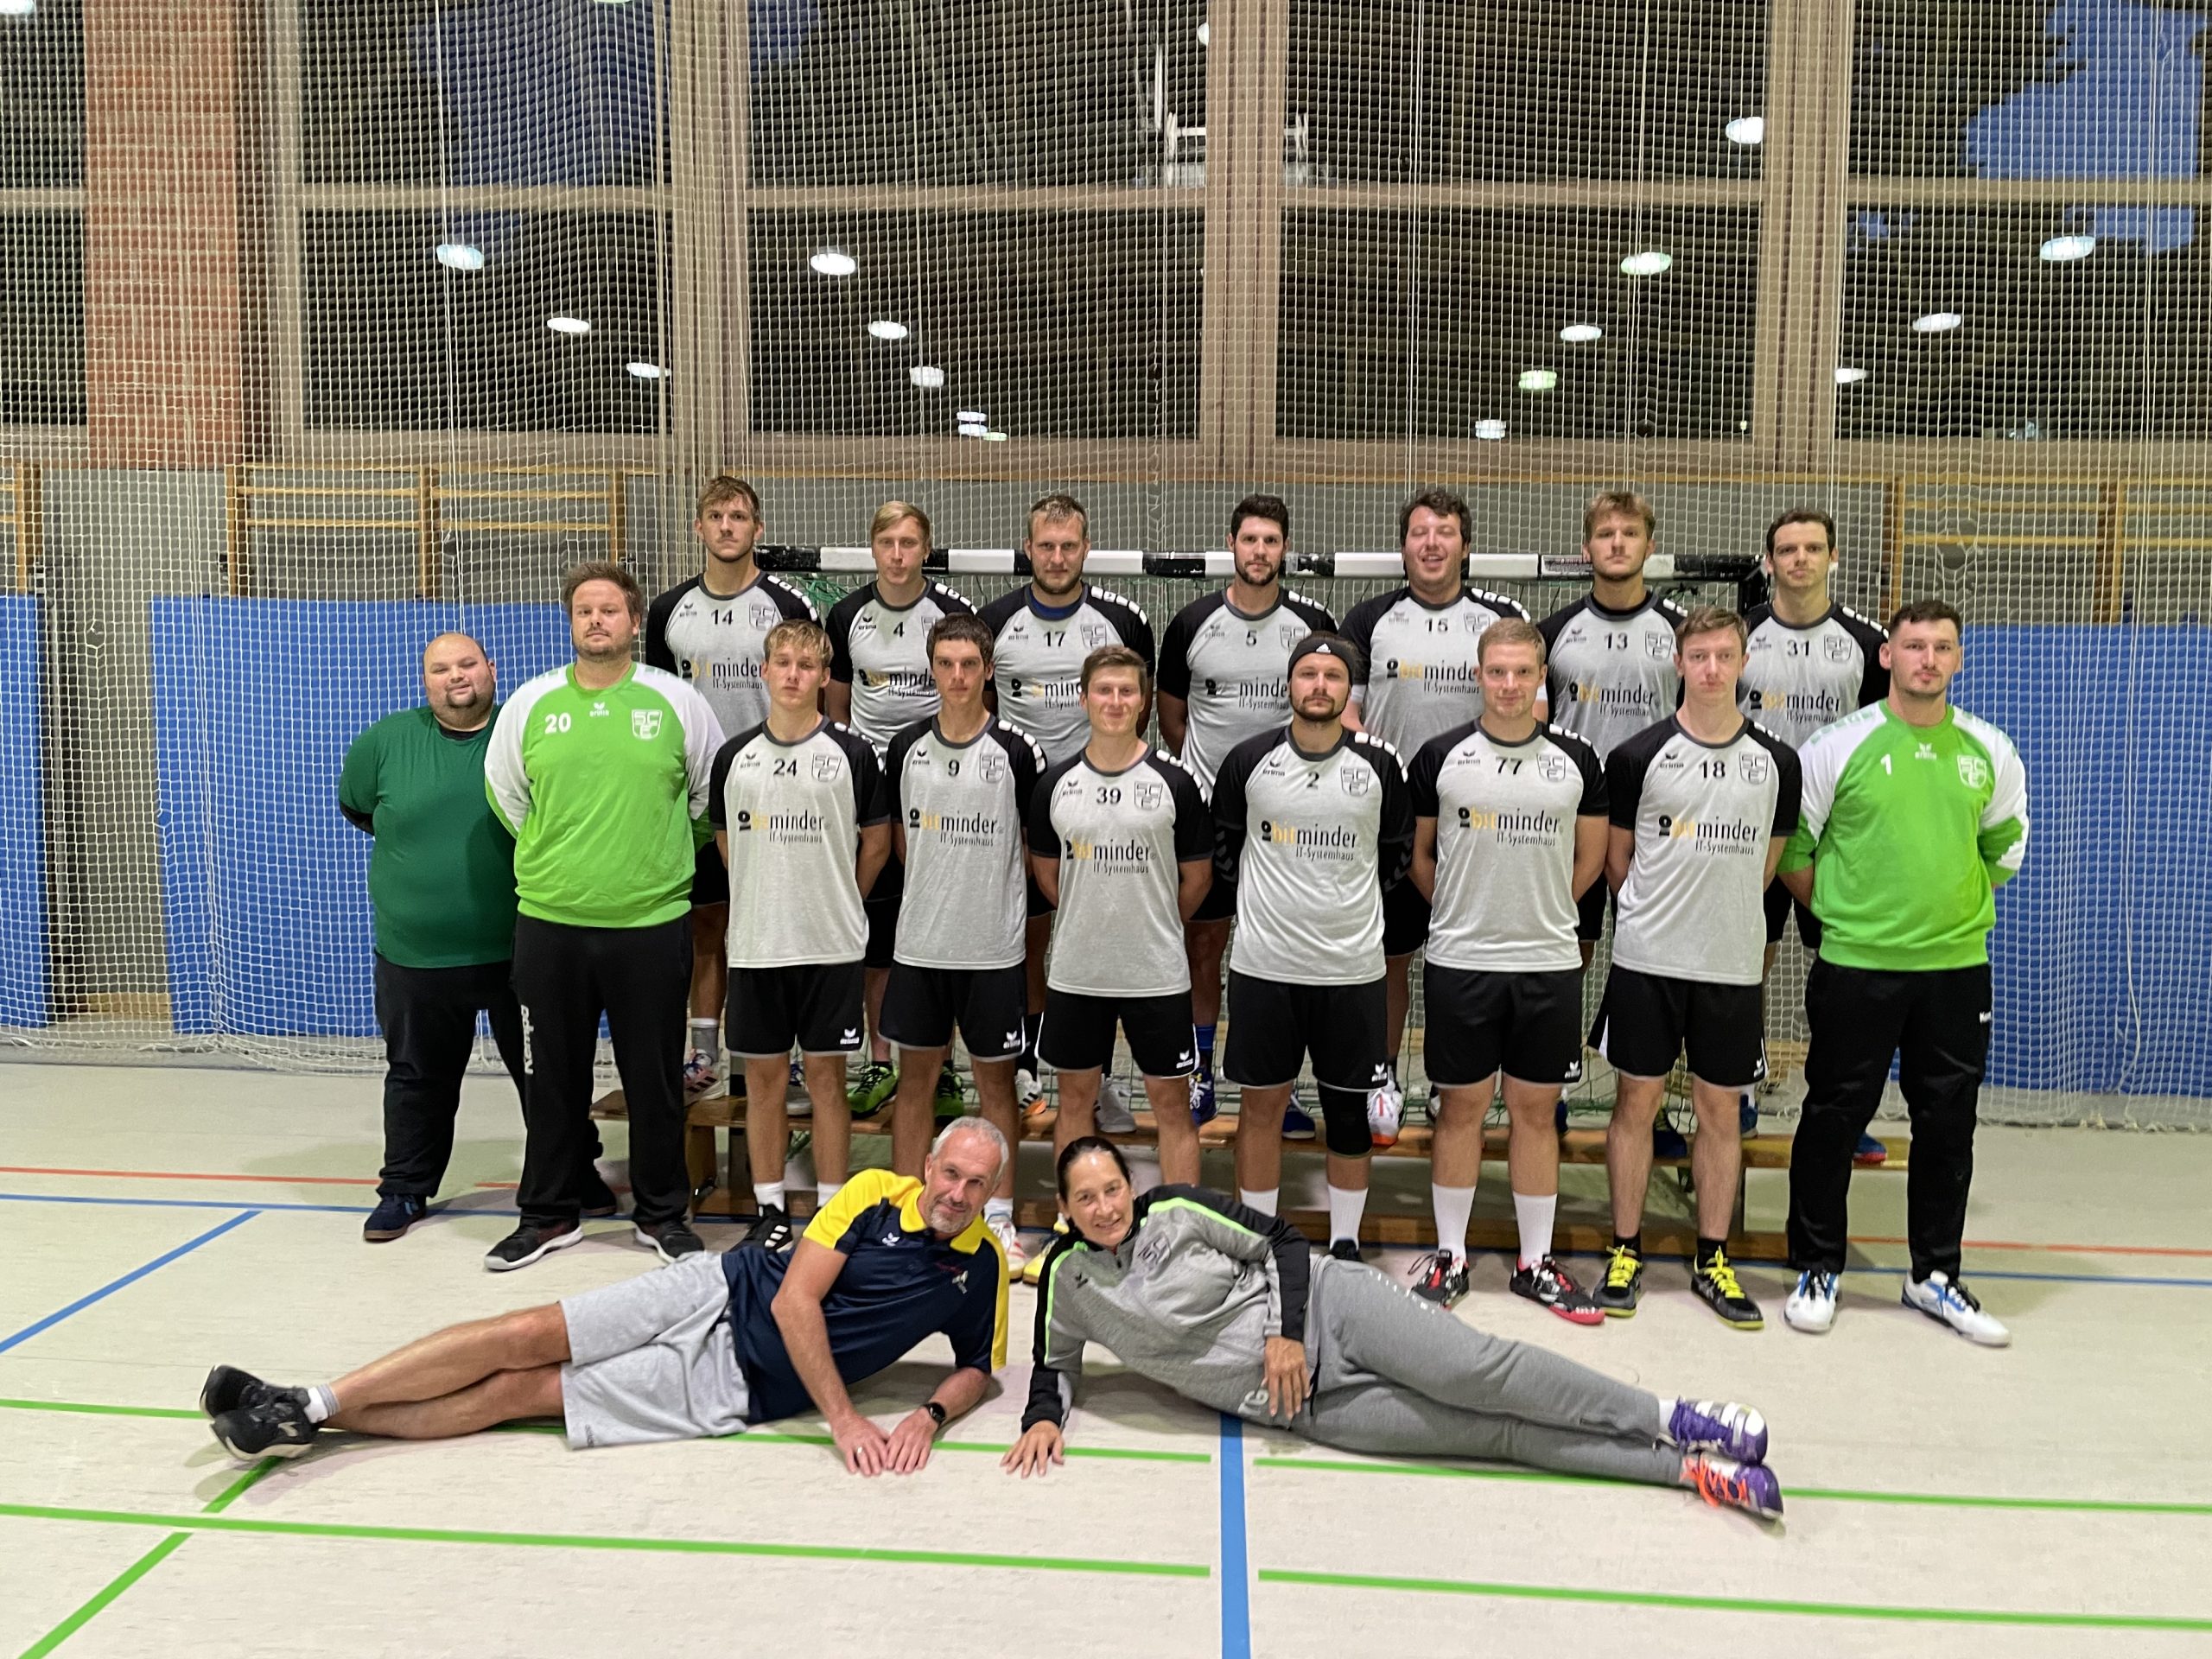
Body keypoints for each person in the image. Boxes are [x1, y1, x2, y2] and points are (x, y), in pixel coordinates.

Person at [1003, 1139, 1782, 1522]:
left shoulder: (1176, 1209)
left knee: (1486, 1373)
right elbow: (1054, 1362)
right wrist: (1044, 1418)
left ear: (1130, 1190)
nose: (1107, 1207)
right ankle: (1688, 1473)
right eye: (1087, 1197)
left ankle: (1677, 1419)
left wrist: (1286, 1331)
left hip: (1334, 1312)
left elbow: (1284, 1242)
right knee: (1493, 1438)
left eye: (1114, 1189)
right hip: (1303, 1406)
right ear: (1064, 1209)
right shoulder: (1067, 1280)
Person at [202, 1121, 1012, 1474]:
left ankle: (295, 1412)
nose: (957, 1191)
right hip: (717, 1289)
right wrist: (844, 1418)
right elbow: (798, 1303)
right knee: (520, 1331)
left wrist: (927, 1416)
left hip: (737, 1385)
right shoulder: (874, 1190)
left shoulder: (981, 1270)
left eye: (976, 1183)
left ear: (991, 1190)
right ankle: (311, 1400)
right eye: (950, 1172)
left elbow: (979, 1367)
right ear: (928, 1165)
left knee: (521, 1393)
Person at [1777, 600, 2028, 1345]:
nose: (1927, 659)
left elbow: (2002, 849)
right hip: (1856, 967)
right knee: (1832, 1116)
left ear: (1957, 659)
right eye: (1912, 646)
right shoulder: (1836, 745)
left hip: (1955, 971)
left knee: (1947, 1125)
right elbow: (1795, 852)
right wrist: (1850, 918)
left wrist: (1945, 911)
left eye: (1941, 647)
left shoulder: (1991, 749)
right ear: (1885, 657)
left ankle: (1935, 1276)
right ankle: (1818, 1266)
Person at [483, 562, 723, 1271]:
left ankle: (660, 1213)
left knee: (653, 1077)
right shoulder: (530, 705)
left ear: (632, 620)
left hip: (650, 922)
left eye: (610, 610)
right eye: (584, 611)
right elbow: (508, 799)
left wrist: (651, 861)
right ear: (571, 622)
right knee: (555, 1074)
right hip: (552, 921)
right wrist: (566, 862)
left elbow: (707, 798)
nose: (596, 621)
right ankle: (549, 1214)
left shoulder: (676, 702)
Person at [340, 633, 613, 1242]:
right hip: (416, 955)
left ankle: (572, 1171)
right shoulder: (384, 742)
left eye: (467, 664)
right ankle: (405, 1189)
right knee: (416, 1075)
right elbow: (358, 808)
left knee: (549, 1071)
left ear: (492, 668)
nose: (455, 677)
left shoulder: (528, 731)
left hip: (525, 944)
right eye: (440, 668)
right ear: (424, 680)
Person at [1590, 607, 1801, 1328]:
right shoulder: (1638, 755)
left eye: (1725, 656)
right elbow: (1617, 863)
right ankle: (1626, 1249)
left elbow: (1767, 866)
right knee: (1636, 1106)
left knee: (1719, 1111)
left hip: (1732, 968)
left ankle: (1714, 1257)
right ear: (1679, 663)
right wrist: (1658, 916)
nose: (1712, 669)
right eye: (1699, 656)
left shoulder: (1778, 762)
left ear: (1744, 664)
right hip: (1648, 962)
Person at [1404, 619, 1608, 1317]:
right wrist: (1468, 910)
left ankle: (1535, 1261)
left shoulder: (1576, 759)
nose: (1511, 685)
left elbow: (1590, 861)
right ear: (1479, 676)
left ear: (1540, 678)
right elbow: (1422, 858)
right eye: (1498, 672)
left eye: (1524, 673)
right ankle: (1452, 1257)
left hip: (1549, 963)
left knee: (1535, 1112)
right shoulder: (1439, 756)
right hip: (1461, 959)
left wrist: (1539, 909)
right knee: (1460, 1108)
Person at [1211, 634, 1410, 1262]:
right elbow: (1225, 852)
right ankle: (1259, 1240)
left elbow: (1396, 857)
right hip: (1265, 966)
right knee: (1262, 1108)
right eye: (1307, 674)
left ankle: (1346, 1244)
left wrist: (1337, 909)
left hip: (1351, 971)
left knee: (1347, 1116)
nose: (1319, 686)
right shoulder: (1248, 759)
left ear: (1349, 689)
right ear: (1288, 685)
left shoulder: (1379, 765)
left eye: (1332, 675)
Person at [1340, 490, 1530, 1140]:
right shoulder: (1369, 618)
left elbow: (1533, 710)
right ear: (1403, 547)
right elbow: (1346, 713)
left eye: (1444, 532)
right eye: (1419, 532)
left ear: (1465, 545)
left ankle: (1457, 1085)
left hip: (1483, 821)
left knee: (1466, 961)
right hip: (1396, 821)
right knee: (1390, 955)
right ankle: (1384, 1075)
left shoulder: (1501, 617)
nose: (1430, 543)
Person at [1155, 494, 1336, 1128]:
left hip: (1287, 819)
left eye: (1271, 541)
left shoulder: (1311, 624)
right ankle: (1201, 1075)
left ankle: (1275, 1086)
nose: (1260, 552)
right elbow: (1171, 714)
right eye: (1250, 540)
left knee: (1277, 953)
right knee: (1204, 949)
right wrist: (1213, 781)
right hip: (1209, 816)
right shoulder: (1192, 622)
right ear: (1232, 544)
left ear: (1285, 548)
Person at [711, 619, 890, 1253]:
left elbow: (876, 843)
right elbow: (728, 843)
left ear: (822, 675)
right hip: (758, 945)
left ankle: (832, 1211)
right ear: (764, 670)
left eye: (806, 665)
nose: (792, 675)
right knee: (762, 1084)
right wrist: (770, 892)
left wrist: (837, 899)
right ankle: (768, 1209)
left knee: (826, 1083)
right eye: (781, 662)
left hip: (832, 946)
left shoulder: (853, 753)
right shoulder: (734, 757)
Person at [979, 494, 1156, 1123]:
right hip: (1018, 806)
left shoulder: (1122, 619)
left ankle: (1101, 1078)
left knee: (1100, 935)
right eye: (1045, 546)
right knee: (1026, 935)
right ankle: (1025, 1063)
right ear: (1028, 549)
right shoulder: (995, 619)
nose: (1056, 557)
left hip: (1102, 806)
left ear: (1086, 548)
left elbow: (1141, 710)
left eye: (1068, 546)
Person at [645, 476, 818, 1099]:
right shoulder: (668, 610)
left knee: (780, 927)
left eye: (738, 516)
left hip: (776, 792)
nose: (726, 526)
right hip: (696, 794)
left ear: (757, 530)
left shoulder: (786, 605)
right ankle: (703, 1055)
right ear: (699, 528)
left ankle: (786, 1058)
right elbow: (661, 703)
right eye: (715, 515)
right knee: (706, 927)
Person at [881, 612, 1046, 1268]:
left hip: (992, 952)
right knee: (914, 1083)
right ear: (931, 669)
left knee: (996, 1087)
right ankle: (903, 1211)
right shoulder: (905, 748)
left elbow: (1033, 848)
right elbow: (900, 843)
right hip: (919, 948)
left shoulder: (1015, 750)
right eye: (945, 664)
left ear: (988, 672)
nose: (956, 677)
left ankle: (999, 1219)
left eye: (968, 665)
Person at [1740, 505, 1892, 1161]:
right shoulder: (1738, 635)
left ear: (1833, 558)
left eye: (1812, 548)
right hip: (1750, 824)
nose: (1799, 559)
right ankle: (1736, 1091)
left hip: (1839, 833)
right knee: (1748, 960)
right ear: (1769, 561)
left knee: (1843, 971)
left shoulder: (1866, 641)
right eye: (1787, 549)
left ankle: (1838, 1107)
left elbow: (1889, 730)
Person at [1027, 645, 1211, 1185]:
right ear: (1084, 699)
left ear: (1144, 702)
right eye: (1103, 691)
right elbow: (1048, 876)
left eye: (1126, 691)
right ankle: (1076, 1220)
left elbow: (1195, 878)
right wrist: (1096, 916)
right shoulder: (1055, 785)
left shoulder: (1176, 784)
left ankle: (1182, 1224)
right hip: (1079, 972)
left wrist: (1146, 920)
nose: (1114, 701)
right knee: (1077, 1102)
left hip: (1156, 972)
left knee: (1171, 1105)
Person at [825, 500, 977, 1119]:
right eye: (886, 541)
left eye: (909, 542)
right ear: (873, 548)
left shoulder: (953, 615)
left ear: (925, 548)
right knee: (876, 937)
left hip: (938, 785)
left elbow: (969, 705)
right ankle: (880, 1063)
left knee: (940, 928)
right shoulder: (845, 616)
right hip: (870, 790)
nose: (896, 553)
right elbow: (834, 710)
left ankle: (940, 1069)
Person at [1538, 491, 1688, 970]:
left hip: (1655, 809)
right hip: (1575, 807)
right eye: (1605, 535)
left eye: (1630, 534)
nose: (1617, 544)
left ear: (1651, 545)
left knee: (1654, 946)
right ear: (1587, 549)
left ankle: (1640, 1048)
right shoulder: (1552, 632)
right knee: (1568, 948)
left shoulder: (1682, 633)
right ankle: (1564, 1047)